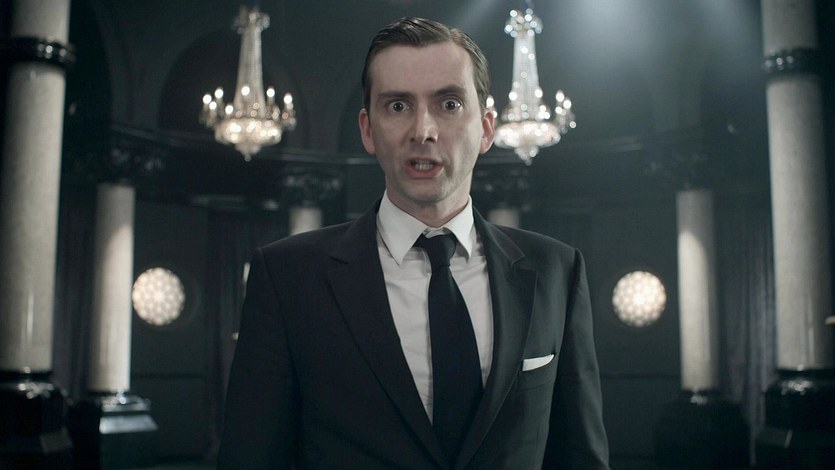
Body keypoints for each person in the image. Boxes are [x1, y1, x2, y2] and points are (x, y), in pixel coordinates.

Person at [218, 16, 610, 469]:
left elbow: (580, 457)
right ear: (368, 129)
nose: (423, 130)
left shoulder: (557, 269)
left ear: (486, 129)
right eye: (398, 106)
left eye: (449, 103)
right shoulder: (288, 276)